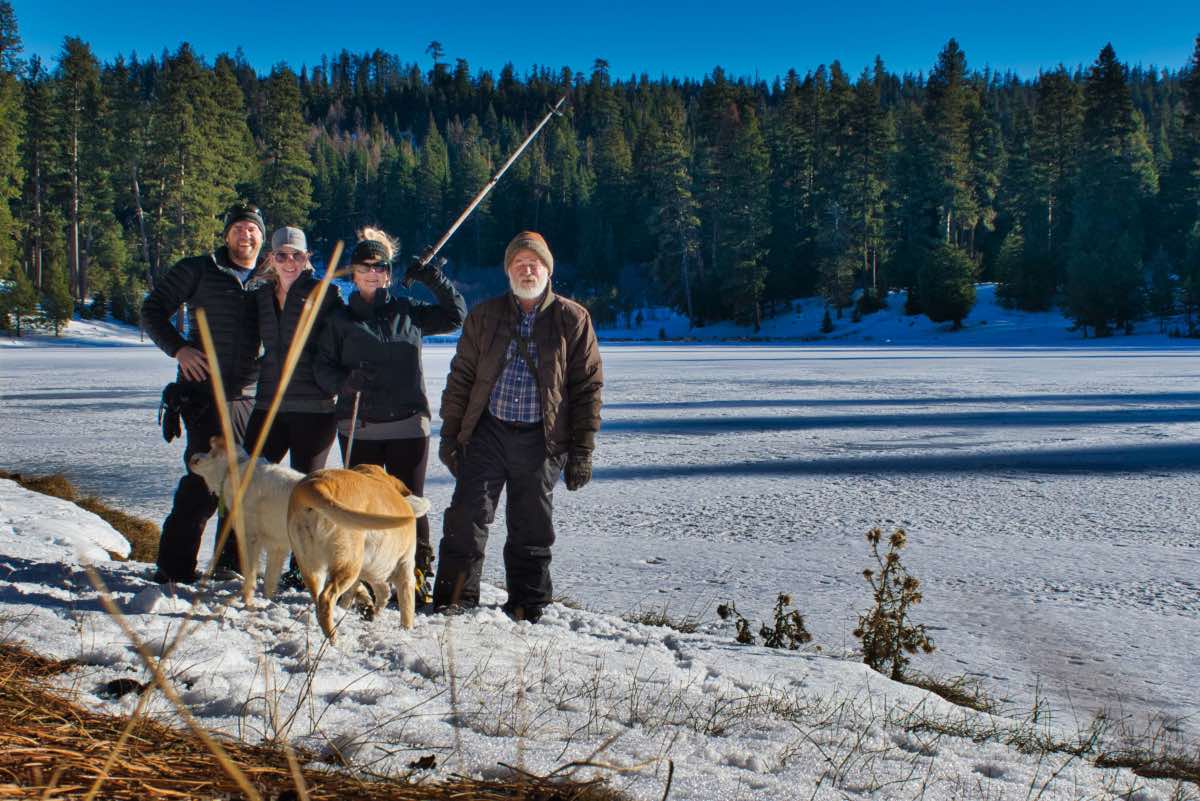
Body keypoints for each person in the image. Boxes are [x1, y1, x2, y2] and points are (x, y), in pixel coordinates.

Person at [432, 231, 603, 623]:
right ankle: (454, 599)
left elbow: (587, 387)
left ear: (547, 269)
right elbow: (461, 378)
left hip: (542, 439)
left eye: (535, 263)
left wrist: (582, 451)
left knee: (531, 524)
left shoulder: (572, 319)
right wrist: (450, 434)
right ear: (508, 270)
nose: (527, 270)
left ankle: (528, 604)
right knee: (466, 517)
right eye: (519, 263)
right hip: (487, 433)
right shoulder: (485, 316)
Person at [314, 227, 467, 605]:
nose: (371, 272)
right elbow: (322, 369)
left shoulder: (406, 312)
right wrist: (346, 382)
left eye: (379, 266)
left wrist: (432, 276)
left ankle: (416, 573)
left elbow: (455, 315)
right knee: (362, 506)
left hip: (407, 423)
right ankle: (363, 575)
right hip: (358, 424)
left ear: (388, 273)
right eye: (364, 266)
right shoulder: (340, 320)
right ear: (353, 273)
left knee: (409, 501)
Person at [142, 201, 267, 584]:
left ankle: (229, 566)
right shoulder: (198, 269)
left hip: (249, 397)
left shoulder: (270, 278)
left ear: (261, 236)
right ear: (226, 233)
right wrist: (179, 348)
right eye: (238, 228)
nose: (245, 234)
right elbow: (153, 309)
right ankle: (174, 566)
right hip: (203, 395)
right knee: (202, 483)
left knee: (244, 485)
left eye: (252, 229)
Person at [244, 226, 342, 474]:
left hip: (314, 408)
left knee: (305, 495)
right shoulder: (260, 297)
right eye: (282, 255)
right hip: (268, 406)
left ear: (307, 258)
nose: (290, 262)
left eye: (297, 255)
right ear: (270, 258)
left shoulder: (325, 294)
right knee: (249, 482)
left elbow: (349, 337)